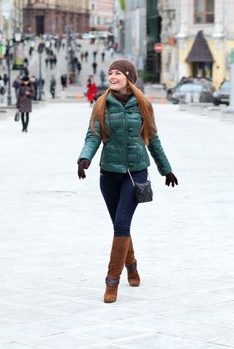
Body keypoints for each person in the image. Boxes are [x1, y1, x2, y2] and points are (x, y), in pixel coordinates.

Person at [77, 59, 178, 303]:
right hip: (108, 173)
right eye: (110, 73)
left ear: (129, 77)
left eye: (118, 73)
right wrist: (84, 158)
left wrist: (166, 170)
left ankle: (112, 282)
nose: (112, 76)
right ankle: (131, 265)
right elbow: (93, 135)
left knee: (122, 224)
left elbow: (153, 139)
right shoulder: (101, 104)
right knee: (119, 226)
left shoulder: (143, 104)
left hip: (136, 172)